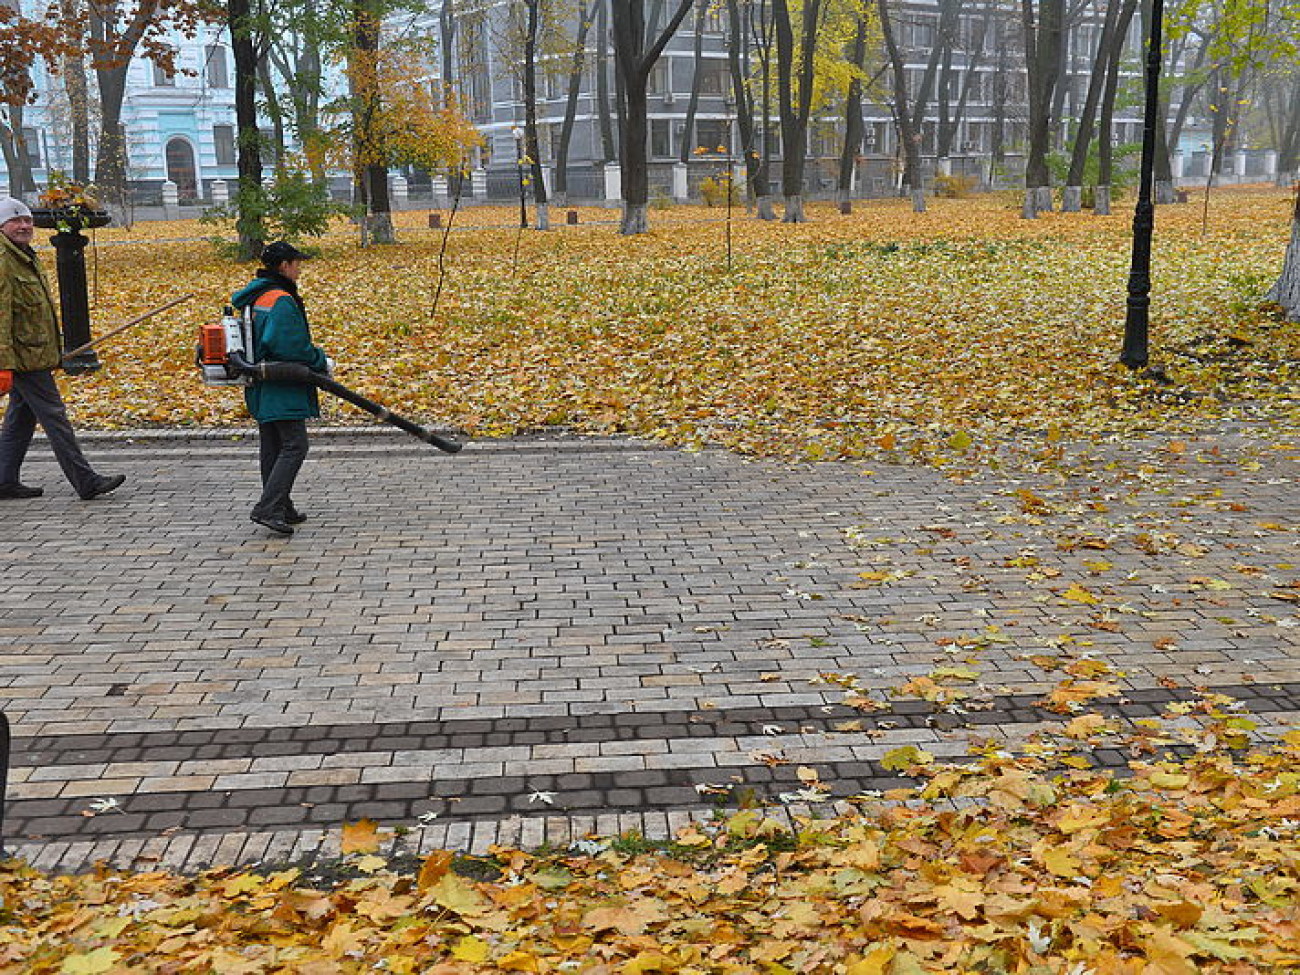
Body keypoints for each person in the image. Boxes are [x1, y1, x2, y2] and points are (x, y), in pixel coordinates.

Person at [0, 197, 125, 501]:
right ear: (1, 226)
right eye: (15, 221)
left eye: (27, 220)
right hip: (23, 358)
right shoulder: (3, 260)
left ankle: (3, 480)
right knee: (55, 417)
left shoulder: (21, 254)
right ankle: (85, 480)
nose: (24, 226)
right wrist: (3, 363)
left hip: (34, 352)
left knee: (21, 417)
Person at [231, 241, 330, 536]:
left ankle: (281, 505)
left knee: (272, 446)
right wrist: (320, 359)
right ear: (284, 266)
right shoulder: (281, 299)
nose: (299, 268)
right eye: (296, 263)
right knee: (295, 445)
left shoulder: (256, 294)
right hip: (282, 384)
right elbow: (290, 345)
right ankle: (268, 507)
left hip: (261, 383)